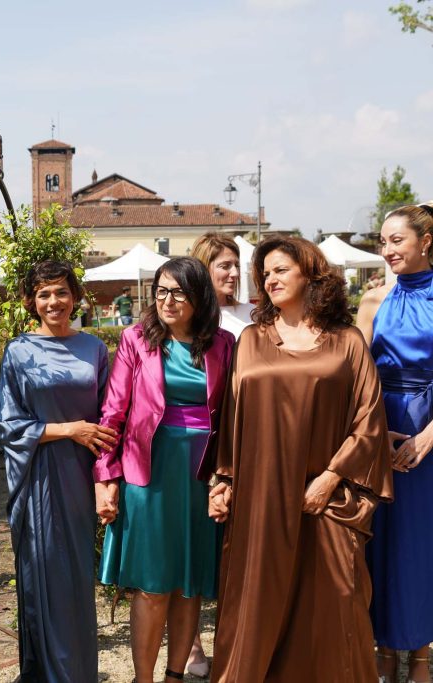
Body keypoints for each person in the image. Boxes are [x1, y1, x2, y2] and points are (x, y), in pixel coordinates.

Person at [208, 236, 392, 682]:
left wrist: (330, 478)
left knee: (336, 602)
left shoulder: (347, 341)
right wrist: (224, 480)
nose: (269, 279)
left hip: (327, 498)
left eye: (280, 270)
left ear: (310, 273)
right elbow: (232, 418)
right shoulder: (250, 340)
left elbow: (370, 420)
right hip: (260, 499)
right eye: (265, 273)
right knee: (258, 603)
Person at [95, 257, 235, 683]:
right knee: (153, 586)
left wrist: (227, 476)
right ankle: (143, 679)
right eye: (161, 291)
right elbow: (113, 413)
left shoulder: (224, 343)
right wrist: (106, 476)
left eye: (178, 292)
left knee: (189, 585)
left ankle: (175, 677)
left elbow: (234, 414)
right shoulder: (136, 339)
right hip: (148, 473)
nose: (167, 301)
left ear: (199, 297)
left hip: (201, 476)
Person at [357, 204, 433, 682]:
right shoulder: (373, 299)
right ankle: (385, 649)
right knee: (381, 539)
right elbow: (356, 375)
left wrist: (429, 436)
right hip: (380, 425)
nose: (386, 250)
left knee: (424, 543)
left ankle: (421, 657)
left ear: (424, 241)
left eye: (396, 240)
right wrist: (374, 432)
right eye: (382, 242)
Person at [0, 260, 114, 682]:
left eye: (61, 291)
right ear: (31, 301)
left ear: (75, 296)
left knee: (77, 580)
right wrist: (69, 430)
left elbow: (110, 417)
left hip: (80, 478)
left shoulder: (95, 349)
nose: (53, 301)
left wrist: (106, 480)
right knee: (44, 573)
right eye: (43, 293)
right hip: (39, 479)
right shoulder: (19, 351)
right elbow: (7, 423)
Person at [184, 231, 253, 677]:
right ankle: (191, 644)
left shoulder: (254, 315)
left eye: (235, 264)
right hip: (198, 446)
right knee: (193, 547)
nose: (232, 272)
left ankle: (233, 640)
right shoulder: (188, 319)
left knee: (235, 551)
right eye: (223, 264)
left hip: (245, 442)